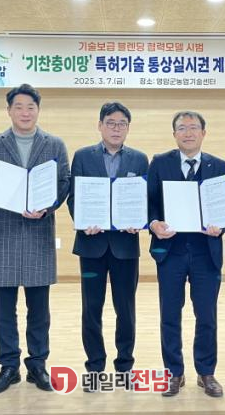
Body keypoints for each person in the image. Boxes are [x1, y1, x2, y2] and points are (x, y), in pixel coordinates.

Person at [0, 84, 70, 394]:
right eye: (18, 107)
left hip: (38, 233)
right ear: (8, 110)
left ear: (38, 110)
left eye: (30, 107)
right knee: (4, 309)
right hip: (4, 234)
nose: (25, 112)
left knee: (39, 309)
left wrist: (48, 207)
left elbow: (64, 182)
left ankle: (37, 364)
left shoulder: (54, 144)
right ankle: (8, 366)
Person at [66, 102, 148, 392]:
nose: (116, 128)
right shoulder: (82, 156)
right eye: (110, 123)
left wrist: (139, 220)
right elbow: (74, 198)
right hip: (91, 246)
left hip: (125, 247)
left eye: (122, 123)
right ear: (100, 125)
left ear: (128, 128)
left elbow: (144, 198)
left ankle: (125, 367)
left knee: (126, 310)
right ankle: (95, 368)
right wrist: (82, 221)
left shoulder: (139, 159)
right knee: (91, 309)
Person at [147, 111, 225, 398]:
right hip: (170, 251)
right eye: (182, 128)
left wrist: (222, 225)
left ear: (204, 133)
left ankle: (206, 372)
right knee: (170, 314)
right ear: (174, 134)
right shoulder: (160, 163)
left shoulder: (219, 166)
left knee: (206, 315)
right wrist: (153, 223)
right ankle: (174, 372)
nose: (188, 133)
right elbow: (150, 202)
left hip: (206, 252)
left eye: (194, 128)